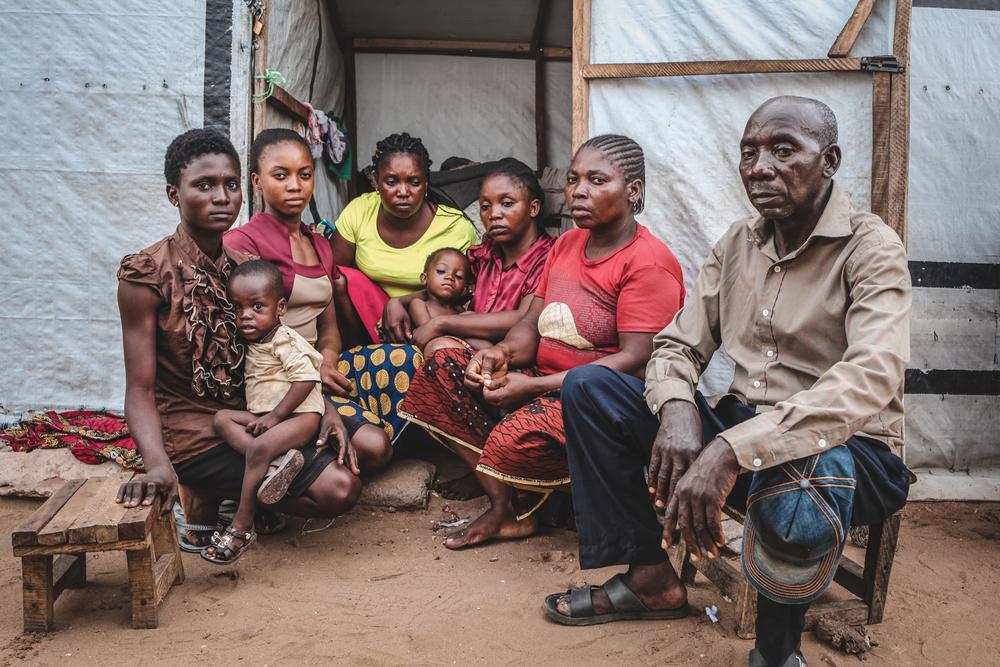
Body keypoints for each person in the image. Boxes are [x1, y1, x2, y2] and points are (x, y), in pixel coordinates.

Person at [542, 98, 912, 667]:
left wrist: (731, 448)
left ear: (830, 160)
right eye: (749, 152)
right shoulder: (737, 242)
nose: (760, 166)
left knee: (804, 474)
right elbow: (676, 345)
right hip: (738, 435)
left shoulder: (872, 248)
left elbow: (871, 376)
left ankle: (775, 653)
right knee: (591, 388)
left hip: (850, 454)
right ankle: (649, 577)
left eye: (783, 150)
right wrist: (677, 409)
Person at [400, 135, 686, 549]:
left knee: (515, 434)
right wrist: (499, 355)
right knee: (444, 362)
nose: (579, 191)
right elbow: (531, 322)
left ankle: (545, 502)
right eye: (573, 179)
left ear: (633, 191)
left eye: (597, 180)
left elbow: (637, 362)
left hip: (602, 402)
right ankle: (507, 510)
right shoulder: (567, 244)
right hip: (540, 380)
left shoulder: (648, 262)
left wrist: (532, 387)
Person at [115, 129, 370, 547]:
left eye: (230, 185)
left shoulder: (246, 267)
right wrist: (159, 465)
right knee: (337, 489)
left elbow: (278, 349)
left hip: (252, 416)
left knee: (363, 458)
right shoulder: (146, 276)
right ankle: (205, 491)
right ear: (173, 195)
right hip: (192, 434)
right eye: (204, 185)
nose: (221, 197)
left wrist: (320, 408)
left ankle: (229, 493)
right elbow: (140, 389)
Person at [224, 128, 407, 449]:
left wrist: (327, 360)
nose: (295, 186)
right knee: (375, 447)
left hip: (317, 368)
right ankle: (297, 446)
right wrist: (308, 372)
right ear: (256, 181)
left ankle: (328, 432)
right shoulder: (243, 243)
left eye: (304, 175)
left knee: (405, 359)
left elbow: (329, 326)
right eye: (280, 175)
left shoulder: (320, 244)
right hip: (281, 377)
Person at [204, 260, 329, 564]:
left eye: (257, 307)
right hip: (268, 416)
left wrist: (275, 418)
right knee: (222, 419)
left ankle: (240, 527)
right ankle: (276, 466)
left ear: (280, 307)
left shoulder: (284, 340)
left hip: (300, 416)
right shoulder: (256, 339)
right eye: (237, 308)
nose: (245, 315)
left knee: (257, 448)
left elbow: (307, 378)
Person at [329, 132, 479, 300]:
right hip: (368, 316)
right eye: (391, 182)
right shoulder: (360, 211)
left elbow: (470, 291)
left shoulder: (455, 227)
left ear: (426, 184)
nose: (403, 192)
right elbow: (331, 274)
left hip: (432, 318)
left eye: (414, 182)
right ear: (376, 182)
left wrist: (403, 304)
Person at [407, 248, 472, 332]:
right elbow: (428, 331)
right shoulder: (419, 304)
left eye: (459, 276)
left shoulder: (460, 310)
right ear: (424, 278)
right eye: (441, 271)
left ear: (464, 289)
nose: (450, 277)